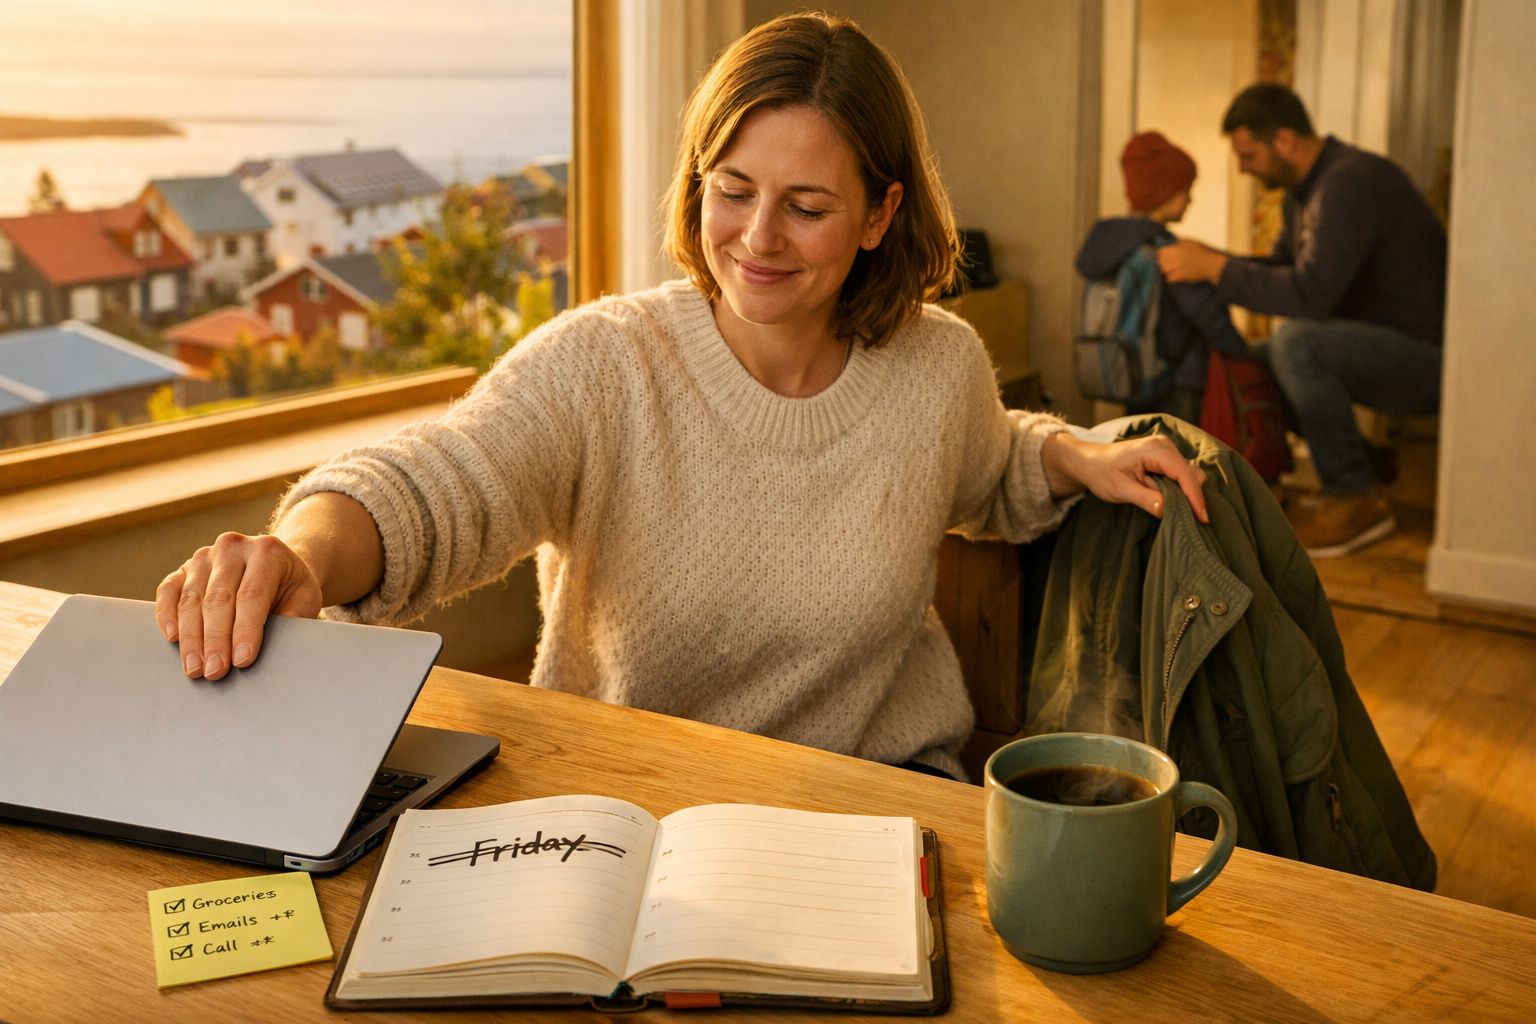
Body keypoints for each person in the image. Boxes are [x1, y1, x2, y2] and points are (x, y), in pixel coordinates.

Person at [156, 12, 1206, 782]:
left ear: (881, 215)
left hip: (882, 804)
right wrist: (300, 554)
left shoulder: (937, 366)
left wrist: (1070, 451)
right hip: (626, 814)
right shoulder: (604, 364)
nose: (758, 239)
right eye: (732, 191)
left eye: (807, 206)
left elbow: (988, 463)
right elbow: (443, 478)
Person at [1157, 82, 1447, 557]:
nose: (1242, 168)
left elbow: (1310, 296)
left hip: (1427, 360)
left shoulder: (1351, 181)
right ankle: (1367, 467)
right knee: (1250, 361)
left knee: (1296, 342)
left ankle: (1355, 496)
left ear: (1285, 140)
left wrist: (1217, 270)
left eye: (1248, 155)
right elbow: (1282, 270)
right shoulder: (1304, 193)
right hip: (1379, 347)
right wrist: (1212, 259)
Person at [1075, 131, 1250, 424]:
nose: (1190, 199)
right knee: (1179, 449)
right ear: (1163, 192)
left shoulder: (1116, 248)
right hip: (1179, 381)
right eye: (1185, 190)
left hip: (1135, 374)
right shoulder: (1168, 252)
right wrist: (1241, 352)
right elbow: (1208, 313)